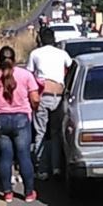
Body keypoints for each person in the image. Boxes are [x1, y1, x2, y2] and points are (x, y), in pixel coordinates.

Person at [0, 46, 40, 203]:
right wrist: (33, 110)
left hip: (1, 120)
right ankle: (29, 193)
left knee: (5, 157)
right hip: (21, 119)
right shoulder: (25, 75)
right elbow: (35, 99)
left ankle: (7, 192)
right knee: (24, 156)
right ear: (14, 60)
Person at [27, 28, 72, 180]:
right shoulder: (62, 54)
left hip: (42, 95)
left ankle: (42, 168)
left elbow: (29, 74)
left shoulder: (35, 54)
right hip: (58, 96)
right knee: (55, 133)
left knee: (40, 132)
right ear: (53, 39)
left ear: (40, 39)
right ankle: (57, 167)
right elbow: (70, 67)